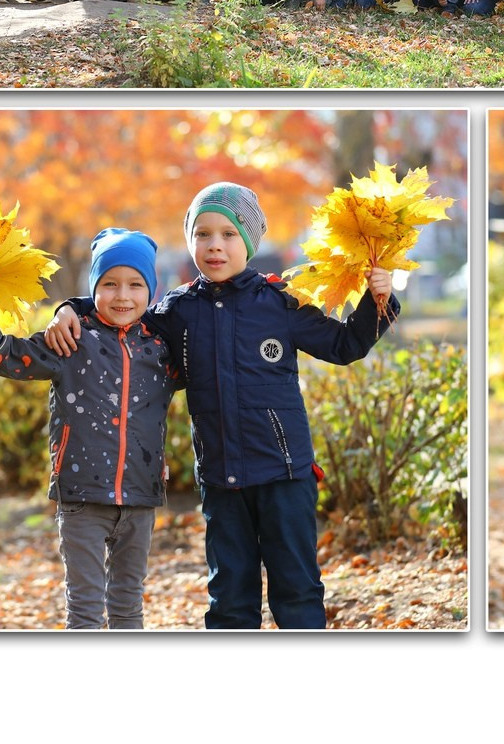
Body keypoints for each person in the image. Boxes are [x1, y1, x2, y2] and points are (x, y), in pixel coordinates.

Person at [43, 184, 394, 629]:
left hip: (285, 474)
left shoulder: (281, 303)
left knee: (297, 588)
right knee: (229, 596)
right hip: (221, 478)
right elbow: (120, 310)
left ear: (248, 241)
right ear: (190, 241)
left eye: (228, 234)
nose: (214, 245)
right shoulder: (178, 310)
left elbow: (345, 345)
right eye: (203, 234)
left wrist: (377, 300)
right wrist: (69, 308)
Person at [0, 230, 177, 629]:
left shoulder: (161, 348)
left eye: (135, 284)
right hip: (82, 498)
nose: (123, 296)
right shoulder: (71, 340)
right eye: (109, 284)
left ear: (152, 290)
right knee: (85, 610)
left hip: (141, 497)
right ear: (94, 288)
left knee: (129, 606)